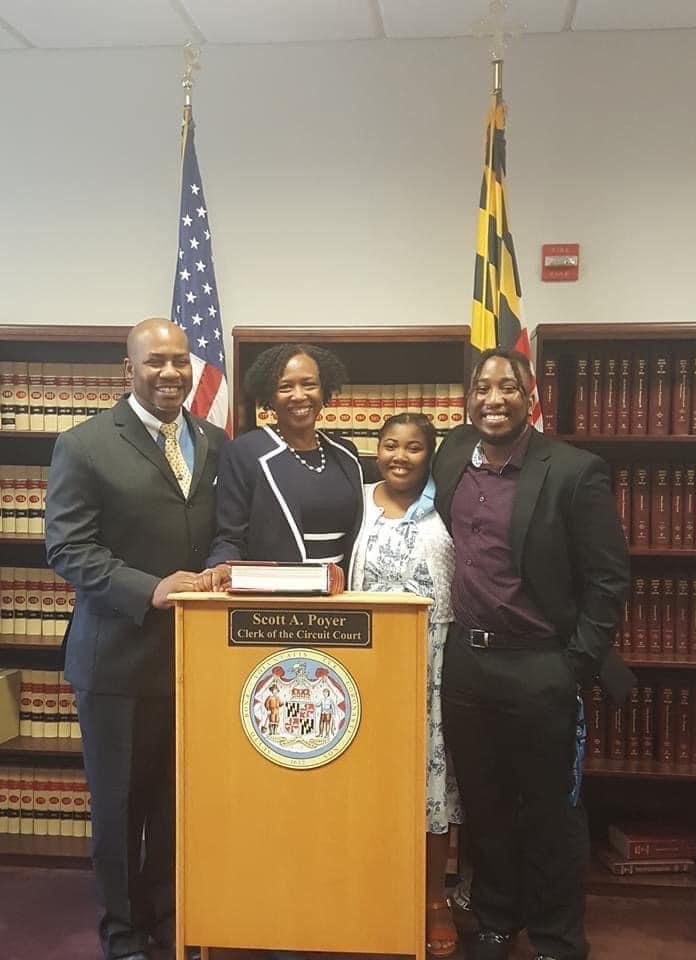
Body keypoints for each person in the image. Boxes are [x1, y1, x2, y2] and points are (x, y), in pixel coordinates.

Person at [434, 348, 633, 960]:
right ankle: (496, 920)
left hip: (541, 665)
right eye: (482, 388)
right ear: (468, 397)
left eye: (507, 387)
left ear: (530, 397)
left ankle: (555, 938)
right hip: (467, 665)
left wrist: (574, 662)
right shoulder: (449, 461)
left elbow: (608, 578)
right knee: (486, 806)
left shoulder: (575, 471)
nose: (493, 398)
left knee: (551, 813)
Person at [45, 318, 228, 960]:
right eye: (156, 362)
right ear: (129, 369)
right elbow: (68, 547)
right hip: (117, 661)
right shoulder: (85, 444)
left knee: (177, 805)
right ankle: (123, 936)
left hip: (195, 662)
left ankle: (164, 919)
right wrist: (149, 588)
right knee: (121, 810)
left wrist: (223, 564)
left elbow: (223, 527)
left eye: (180, 360)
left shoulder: (211, 439)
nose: (171, 373)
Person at [349, 412, 462, 959]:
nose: (399, 456)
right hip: (366, 663)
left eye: (413, 448)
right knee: (367, 782)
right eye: (389, 445)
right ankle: (373, 887)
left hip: (433, 662)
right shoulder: (359, 497)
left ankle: (434, 898)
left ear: (430, 453)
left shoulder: (453, 501)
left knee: (429, 783)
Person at [199, 343, 364, 587]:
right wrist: (221, 566)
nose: (299, 395)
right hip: (278, 601)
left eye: (309, 384)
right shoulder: (245, 452)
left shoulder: (346, 453)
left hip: (344, 599)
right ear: (270, 396)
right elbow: (230, 536)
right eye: (285, 387)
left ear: (324, 389)